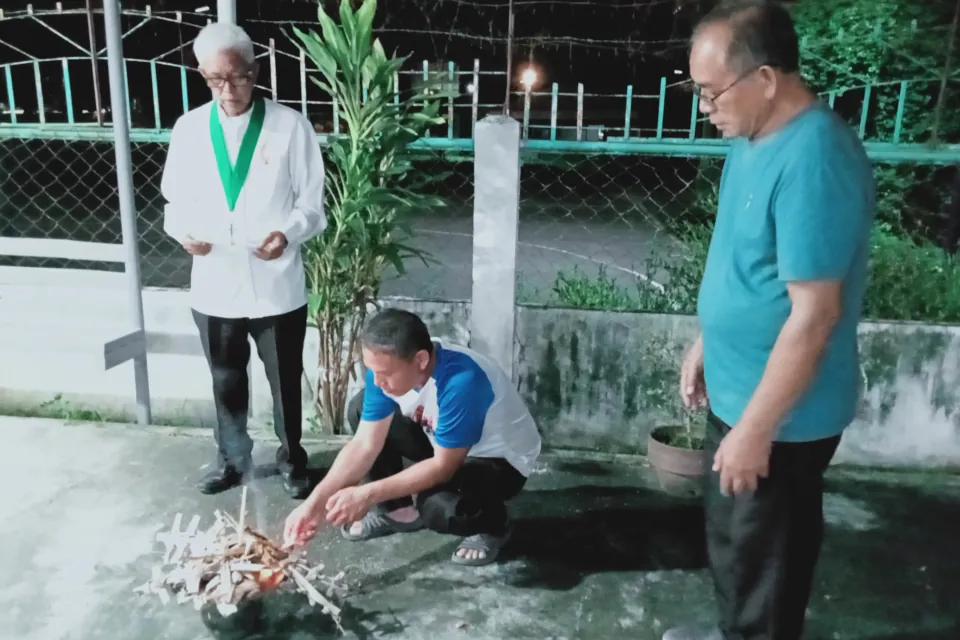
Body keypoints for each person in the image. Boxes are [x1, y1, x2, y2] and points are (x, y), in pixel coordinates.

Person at [665, 2, 875, 639]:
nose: (706, 108)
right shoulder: (751, 137)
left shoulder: (816, 159)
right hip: (740, 392)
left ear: (764, 78)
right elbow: (747, 259)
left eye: (712, 91)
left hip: (782, 417)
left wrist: (757, 430)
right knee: (736, 546)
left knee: (766, 562)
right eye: (698, 91)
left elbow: (815, 316)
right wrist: (709, 338)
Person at [160, 22, 327, 499]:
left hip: (276, 281)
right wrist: (184, 235)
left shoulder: (289, 126)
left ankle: (293, 460)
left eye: (238, 77)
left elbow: (312, 205)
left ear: (255, 71)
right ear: (202, 74)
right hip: (216, 280)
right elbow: (174, 203)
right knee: (225, 379)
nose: (228, 90)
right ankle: (232, 460)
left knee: (285, 380)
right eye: (216, 79)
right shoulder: (190, 128)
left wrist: (287, 234)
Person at [283, 308, 542, 566]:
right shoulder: (386, 369)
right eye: (372, 370)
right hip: (441, 441)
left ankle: (494, 525)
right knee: (360, 407)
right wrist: (313, 505)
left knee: (438, 506)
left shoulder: (462, 381)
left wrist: (366, 495)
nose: (377, 381)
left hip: (499, 462)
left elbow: (442, 467)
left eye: (385, 374)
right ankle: (398, 510)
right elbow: (364, 444)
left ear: (420, 360)